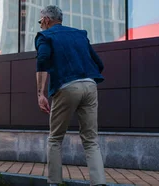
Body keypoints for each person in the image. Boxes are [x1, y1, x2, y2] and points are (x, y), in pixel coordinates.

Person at [34, 5, 106, 186]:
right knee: (90, 140)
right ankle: (99, 183)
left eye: (40, 21)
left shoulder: (45, 36)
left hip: (66, 86)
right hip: (90, 85)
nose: (40, 25)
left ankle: (54, 182)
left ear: (47, 20)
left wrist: (40, 93)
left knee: (55, 138)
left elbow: (42, 60)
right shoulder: (79, 34)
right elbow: (99, 63)